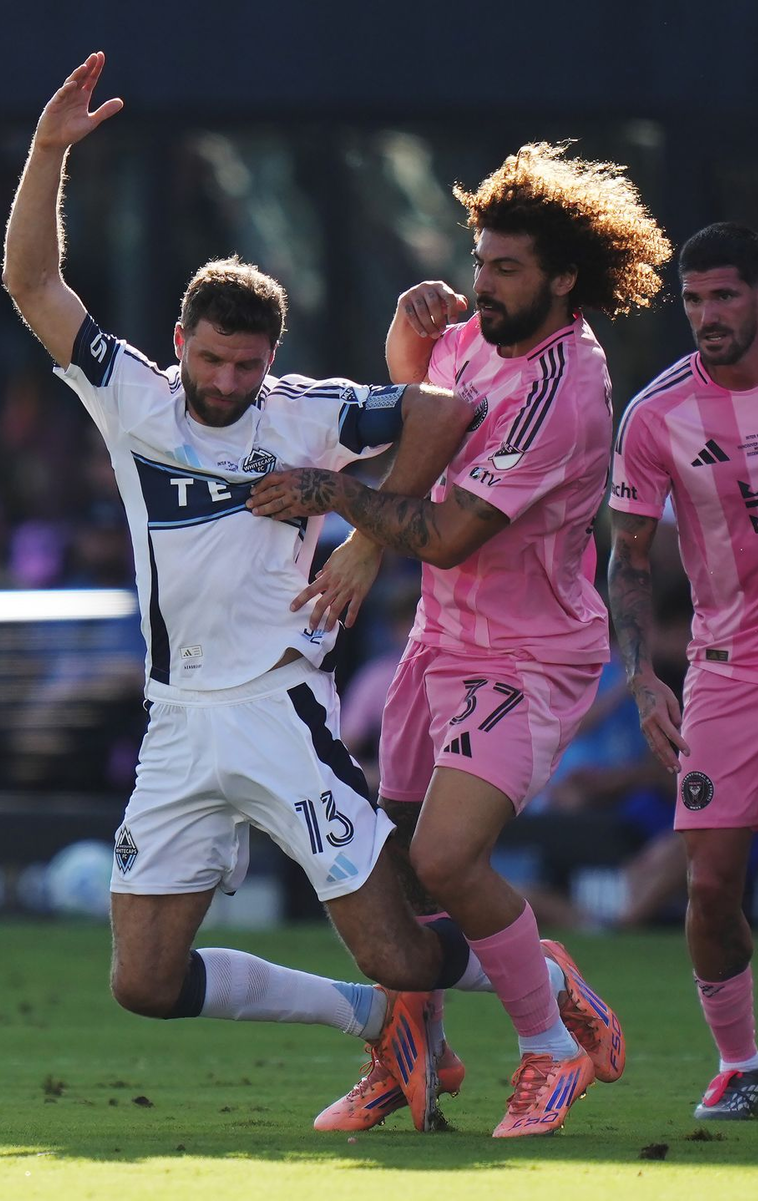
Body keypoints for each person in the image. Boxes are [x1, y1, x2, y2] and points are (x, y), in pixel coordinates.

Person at [3, 52, 518, 1135]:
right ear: (182, 342)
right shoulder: (136, 400)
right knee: (143, 979)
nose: (230, 383)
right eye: (215, 360)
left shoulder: (307, 411)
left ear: (271, 356)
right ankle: (371, 1019)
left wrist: (369, 533)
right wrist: (50, 151)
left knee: (404, 944)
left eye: (249, 365)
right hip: (177, 720)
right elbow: (32, 287)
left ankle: (548, 986)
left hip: (279, 705)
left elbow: (441, 413)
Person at [250, 141, 671, 1136]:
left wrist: (333, 496)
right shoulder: (482, 334)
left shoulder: (565, 392)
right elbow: (430, 423)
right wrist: (406, 342)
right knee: (388, 868)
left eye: (507, 268)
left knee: (445, 856)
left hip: (530, 657)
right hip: (443, 641)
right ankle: (414, 1054)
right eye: (480, 260)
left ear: (564, 277)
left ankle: (549, 1046)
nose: (483, 284)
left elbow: (443, 534)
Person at [608, 221, 758, 1120]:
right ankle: (741, 1064)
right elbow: (627, 557)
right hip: (726, 666)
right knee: (708, 884)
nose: (707, 315)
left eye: (727, 295)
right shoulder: (657, 414)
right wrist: (639, 674)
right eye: (694, 299)